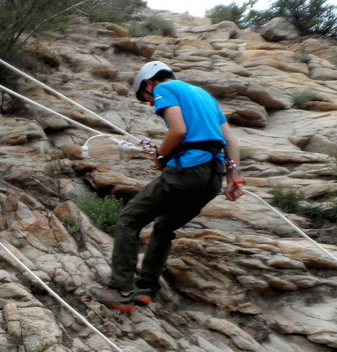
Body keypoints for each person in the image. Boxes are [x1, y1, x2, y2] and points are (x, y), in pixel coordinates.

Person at [88, 61, 244, 312]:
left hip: (188, 172)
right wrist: (233, 177)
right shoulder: (205, 96)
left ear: (150, 83)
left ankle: (121, 290)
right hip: (212, 178)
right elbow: (230, 139)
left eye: (145, 97)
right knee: (164, 226)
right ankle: (145, 290)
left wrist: (161, 156)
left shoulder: (165, 88)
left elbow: (179, 130)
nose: (151, 103)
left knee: (129, 219)